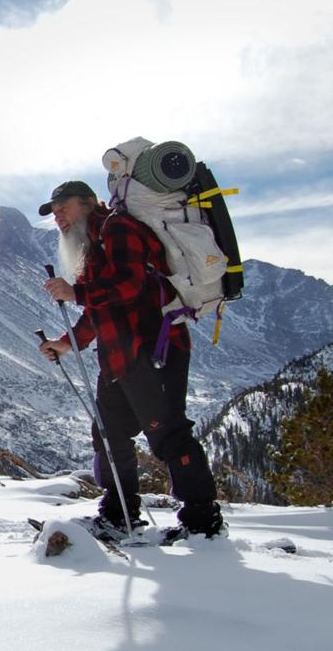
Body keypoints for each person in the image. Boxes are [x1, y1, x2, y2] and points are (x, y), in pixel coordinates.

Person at [35, 180, 223, 539]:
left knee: (168, 434)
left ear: (89, 203)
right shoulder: (92, 245)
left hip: (153, 350)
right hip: (119, 358)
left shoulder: (118, 228)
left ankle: (203, 523)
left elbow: (130, 285)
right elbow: (100, 309)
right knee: (109, 434)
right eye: (54, 211)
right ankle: (119, 513)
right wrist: (66, 342)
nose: (58, 216)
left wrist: (75, 291)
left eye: (64, 207)